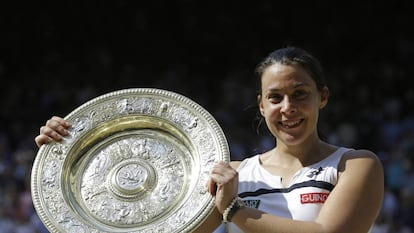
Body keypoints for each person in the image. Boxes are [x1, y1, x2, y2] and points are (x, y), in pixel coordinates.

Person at [35, 46, 384, 233]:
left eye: (300, 94)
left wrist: (235, 211)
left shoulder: (355, 164)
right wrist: (68, 152)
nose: (288, 108)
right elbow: (148, 227)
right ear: (262, 106)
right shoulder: (232, 175)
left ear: (323, 97)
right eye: (275, 98)